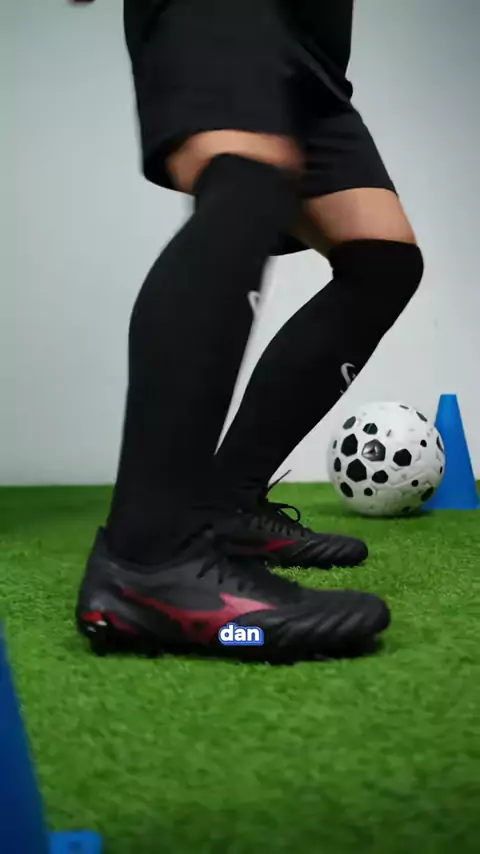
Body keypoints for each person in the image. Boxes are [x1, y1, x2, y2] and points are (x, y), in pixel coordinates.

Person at [74, 0, 424, 662]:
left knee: (383, 260)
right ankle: (148, 560)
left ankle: (228, 506)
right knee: (247, 180)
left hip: (314, 45)